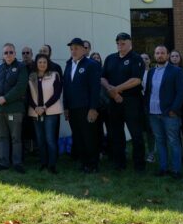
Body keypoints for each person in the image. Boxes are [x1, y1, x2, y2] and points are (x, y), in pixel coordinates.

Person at [101, 33, 146, 172]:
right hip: (114, 102)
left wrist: (116, 90)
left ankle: (139, 165)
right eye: (118, 43)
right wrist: (112, 92)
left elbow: (136, 80)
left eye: (123, 42)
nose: (120, 45)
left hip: (132, 101)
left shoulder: (136, 58)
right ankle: (119, 163)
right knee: (116, 134)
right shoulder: (110, 58)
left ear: (130, 42)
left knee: (136, 134)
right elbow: (102, 78)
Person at [143, 45, 183, 179]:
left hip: (169, 113)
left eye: (162, 53)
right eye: (157, 53)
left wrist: (174, 109)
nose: (160, 55)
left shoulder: (176, 71)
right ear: (154, 56)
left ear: (167, 55)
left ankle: (176, 170)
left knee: (173, 141)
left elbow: (181, 92)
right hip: (153, 113)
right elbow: (148, 92)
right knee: (160, 141)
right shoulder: (150, 72)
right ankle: (163, 167)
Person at [62, 38, 101, 173]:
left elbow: (95, 88)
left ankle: (93, 164)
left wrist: (93, 108)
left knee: (89, 136)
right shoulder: (68, 65)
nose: (73, 51)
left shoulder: (91, 64)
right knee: (78, 136)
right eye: (71, 48)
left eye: (76, 48)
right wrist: (66, 107)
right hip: (73, 108)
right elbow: (66, 87)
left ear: (84, 49)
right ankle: (83, 162)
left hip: (86, 107)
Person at [0, 43, 29, 173]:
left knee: (16, 138)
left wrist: (5, 98)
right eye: (6, 52)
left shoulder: (21, 67)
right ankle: (3, 162)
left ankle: (17, 163)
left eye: (11, 52)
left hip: (15, 109)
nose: (8, 55)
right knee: (2, 137)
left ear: (15, 54)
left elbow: (21, 87)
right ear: (3, 55)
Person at [28, 54, 63, 173]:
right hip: (36, 112)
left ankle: (52, 165)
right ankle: (43, 163)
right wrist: (36, 107)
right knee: (40, 140)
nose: (42, 64)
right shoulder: (31, 77)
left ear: (48, 63)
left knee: (50, 139)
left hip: (51, 112)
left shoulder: (54, 75)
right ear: (36, 64)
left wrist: (44, 107)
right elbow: (28, 96)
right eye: (40, 62)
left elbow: (57, 94)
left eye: (44, 62)